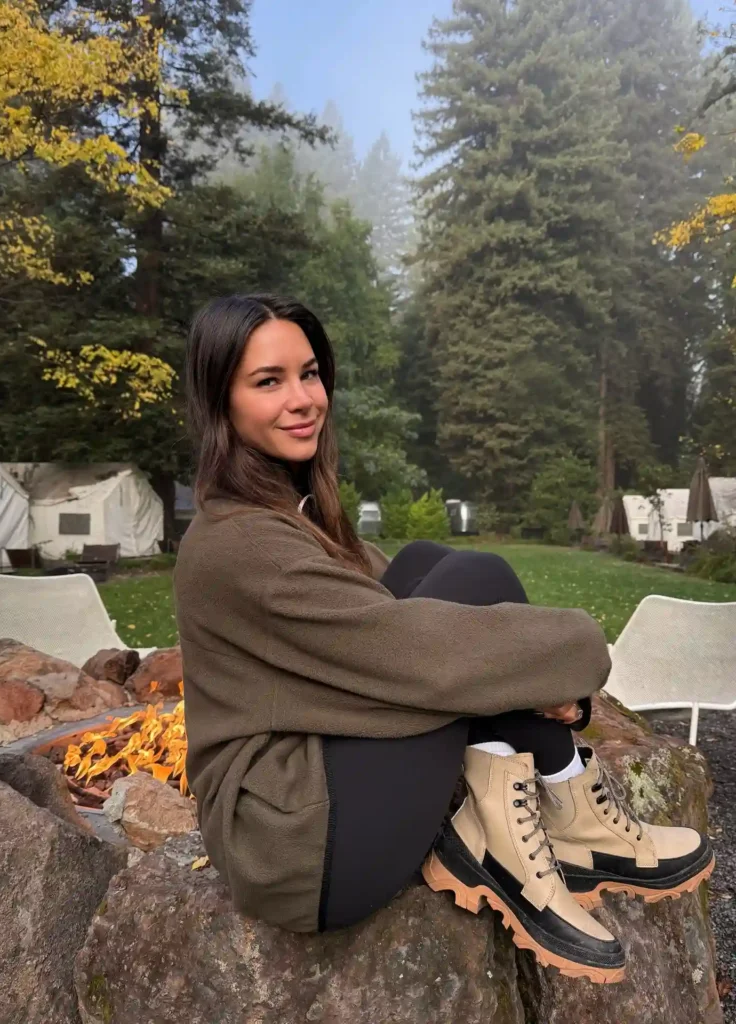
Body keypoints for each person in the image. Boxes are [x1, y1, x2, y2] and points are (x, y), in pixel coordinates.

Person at [174, 293, 714, 985]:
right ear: (221, 402)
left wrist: (533, 683)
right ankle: (545, 815)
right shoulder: (240, 544)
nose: (303, 399)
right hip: (295, 846)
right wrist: (576, 655)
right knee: (471, 586)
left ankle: (553, 812)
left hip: (312, 799)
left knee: (432, 562)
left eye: (308, 374)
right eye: (268, 382)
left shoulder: (283, 511)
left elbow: (395, 600)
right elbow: (422, 653)